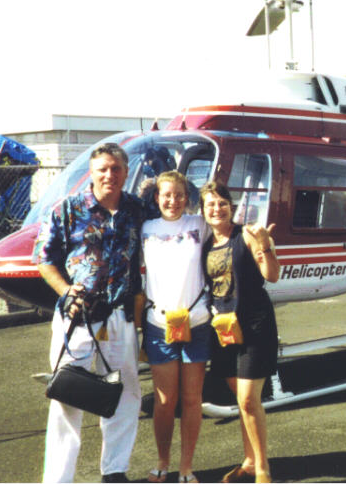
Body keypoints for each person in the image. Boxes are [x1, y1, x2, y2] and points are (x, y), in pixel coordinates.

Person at [34, 142, 145, 483]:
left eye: (116, 169)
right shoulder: (66, 210)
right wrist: (67, 290)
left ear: (126, 172)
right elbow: (44, 259)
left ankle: (114, 471)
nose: (109, 174)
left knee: (125, 391)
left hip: (119, 316)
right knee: (68, 394)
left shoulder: (138, 209)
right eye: (103, 169)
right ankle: (59, 478)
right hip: (78, 318)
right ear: (92, 173)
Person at [199, 181, 279, 484]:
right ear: (203, 211)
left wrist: (266, 245)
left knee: (247, 400)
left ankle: (262, 469)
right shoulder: (207, 245)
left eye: (222, 203)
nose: (217, 209)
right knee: (240, 397)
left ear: (231, 206)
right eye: (210, 205)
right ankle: (248, 460)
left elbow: (271, 275)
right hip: (224, 329)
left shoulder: (247, 235)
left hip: (255, 325)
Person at [140, 171, 210, 484]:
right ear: (157, 197)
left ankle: (186, 467)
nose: (173, 201)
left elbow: (230, 231)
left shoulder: (200, 225)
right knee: (165, 401)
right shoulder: (145, 228)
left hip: (197, 323)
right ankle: (163, 461)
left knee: (192, 399)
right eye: (166, 195)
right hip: (159, 324)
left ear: (187, 197)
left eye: (179, 195)